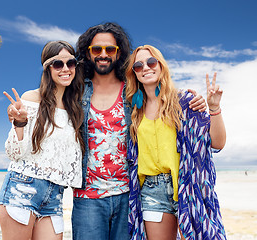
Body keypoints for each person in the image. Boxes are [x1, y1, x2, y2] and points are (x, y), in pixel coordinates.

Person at [71, 22, 207, 240]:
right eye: (97, 49)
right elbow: (50, 93)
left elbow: (162, 98)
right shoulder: (76, 92)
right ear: (88, 54)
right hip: (87, 198)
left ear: (119, 53)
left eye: (110, 49)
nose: (103, 54)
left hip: (129, 195)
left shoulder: (132, 93)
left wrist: (196, 102)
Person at [125, 45, 226, 239]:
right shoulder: (134, 112)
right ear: (134, 74)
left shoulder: (185, 102)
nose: (145, 67)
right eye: (138, 66)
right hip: (151, 192)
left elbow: (217, 143)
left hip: (188, 186)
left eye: (151, 62)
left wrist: (214, 108)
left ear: (161, 66)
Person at [0, 40, 85, 240]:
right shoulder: (32, 98)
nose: (65, 69)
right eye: (58, 64)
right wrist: (19, 123)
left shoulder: (75, 108)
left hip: (55, 197)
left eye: (70, 63)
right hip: (21, 187)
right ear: (47, 68)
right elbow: (14, 153)